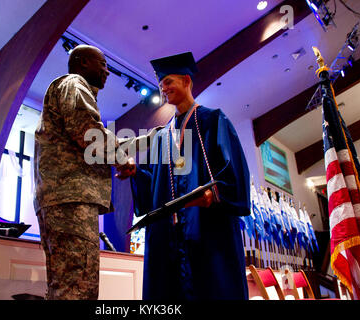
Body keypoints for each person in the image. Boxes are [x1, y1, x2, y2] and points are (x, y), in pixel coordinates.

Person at [127, 52, 251, 300]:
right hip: (171, 238)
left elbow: (234, 171)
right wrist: (135, 172)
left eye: (169, 81)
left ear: (186, 80)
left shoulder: (212, 120)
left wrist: (212, 194)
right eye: (162, 84)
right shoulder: (164, 135)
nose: (164, 88)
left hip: (207, 231)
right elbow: (156, 185)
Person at [34, 45, 135, 300]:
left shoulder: (66, 89)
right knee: (78, 287)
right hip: (72, 199)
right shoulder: (74, 83)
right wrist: (121, 158)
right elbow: (89, 133)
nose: (107, 71)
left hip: (60, 198)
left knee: (64, 285)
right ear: (81, 63)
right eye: (102, 64)